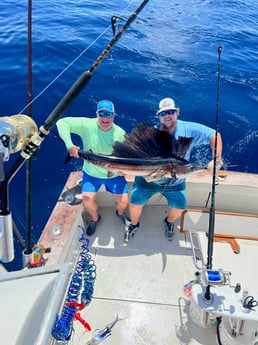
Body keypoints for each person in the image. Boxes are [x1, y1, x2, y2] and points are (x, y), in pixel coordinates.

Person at [125, 97, 223, 243]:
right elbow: (135, 160)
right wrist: (144, 175)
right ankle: (134, 224)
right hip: (148, 179)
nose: (168, 116)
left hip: (175, 183)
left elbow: (215, 135)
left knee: (179, 207)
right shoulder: (150, 135)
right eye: (164, 113)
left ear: (177, 112)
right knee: (134, 203)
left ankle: (169, 222)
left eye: (171, 111)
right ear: (158, 116)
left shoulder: (189, 129)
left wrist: (217, 158)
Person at [56, 100, 129, 236]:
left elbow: (127, 156)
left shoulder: (120, 134)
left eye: (109, 114)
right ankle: (95, 219)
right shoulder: (87, 125)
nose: (105, 118)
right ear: (97, 114)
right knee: (87, 200)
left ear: (114, 116)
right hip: (91, 174)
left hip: (114, 175)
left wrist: (122, 170)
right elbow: (61, 122)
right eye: (102, 114)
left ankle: (120, 214)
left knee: (123, 202)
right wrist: (69, 145)